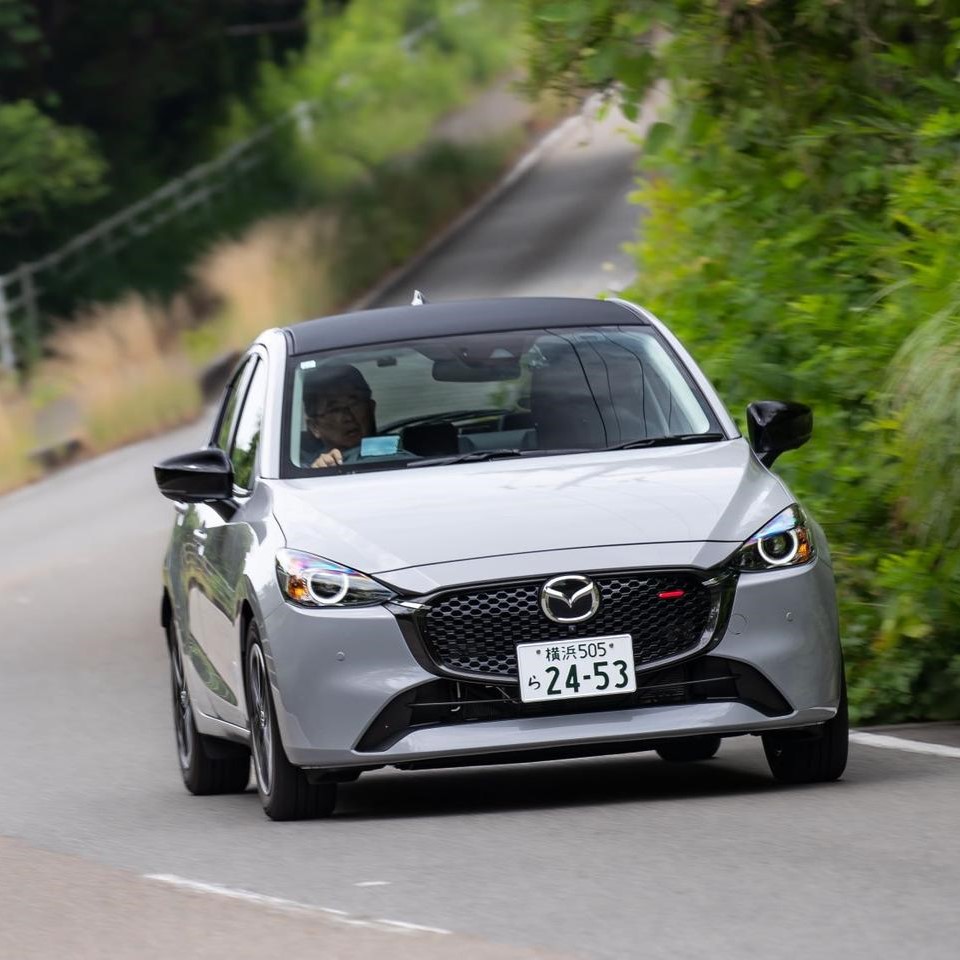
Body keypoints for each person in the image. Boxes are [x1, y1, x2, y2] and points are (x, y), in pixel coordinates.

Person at [301, 364, 376, 468]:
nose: (348, 417)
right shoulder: (303, 471)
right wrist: (317, 473)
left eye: (354, 404)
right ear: (314, 427)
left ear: (371, 407)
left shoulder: (401, 455)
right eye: (334, 410)